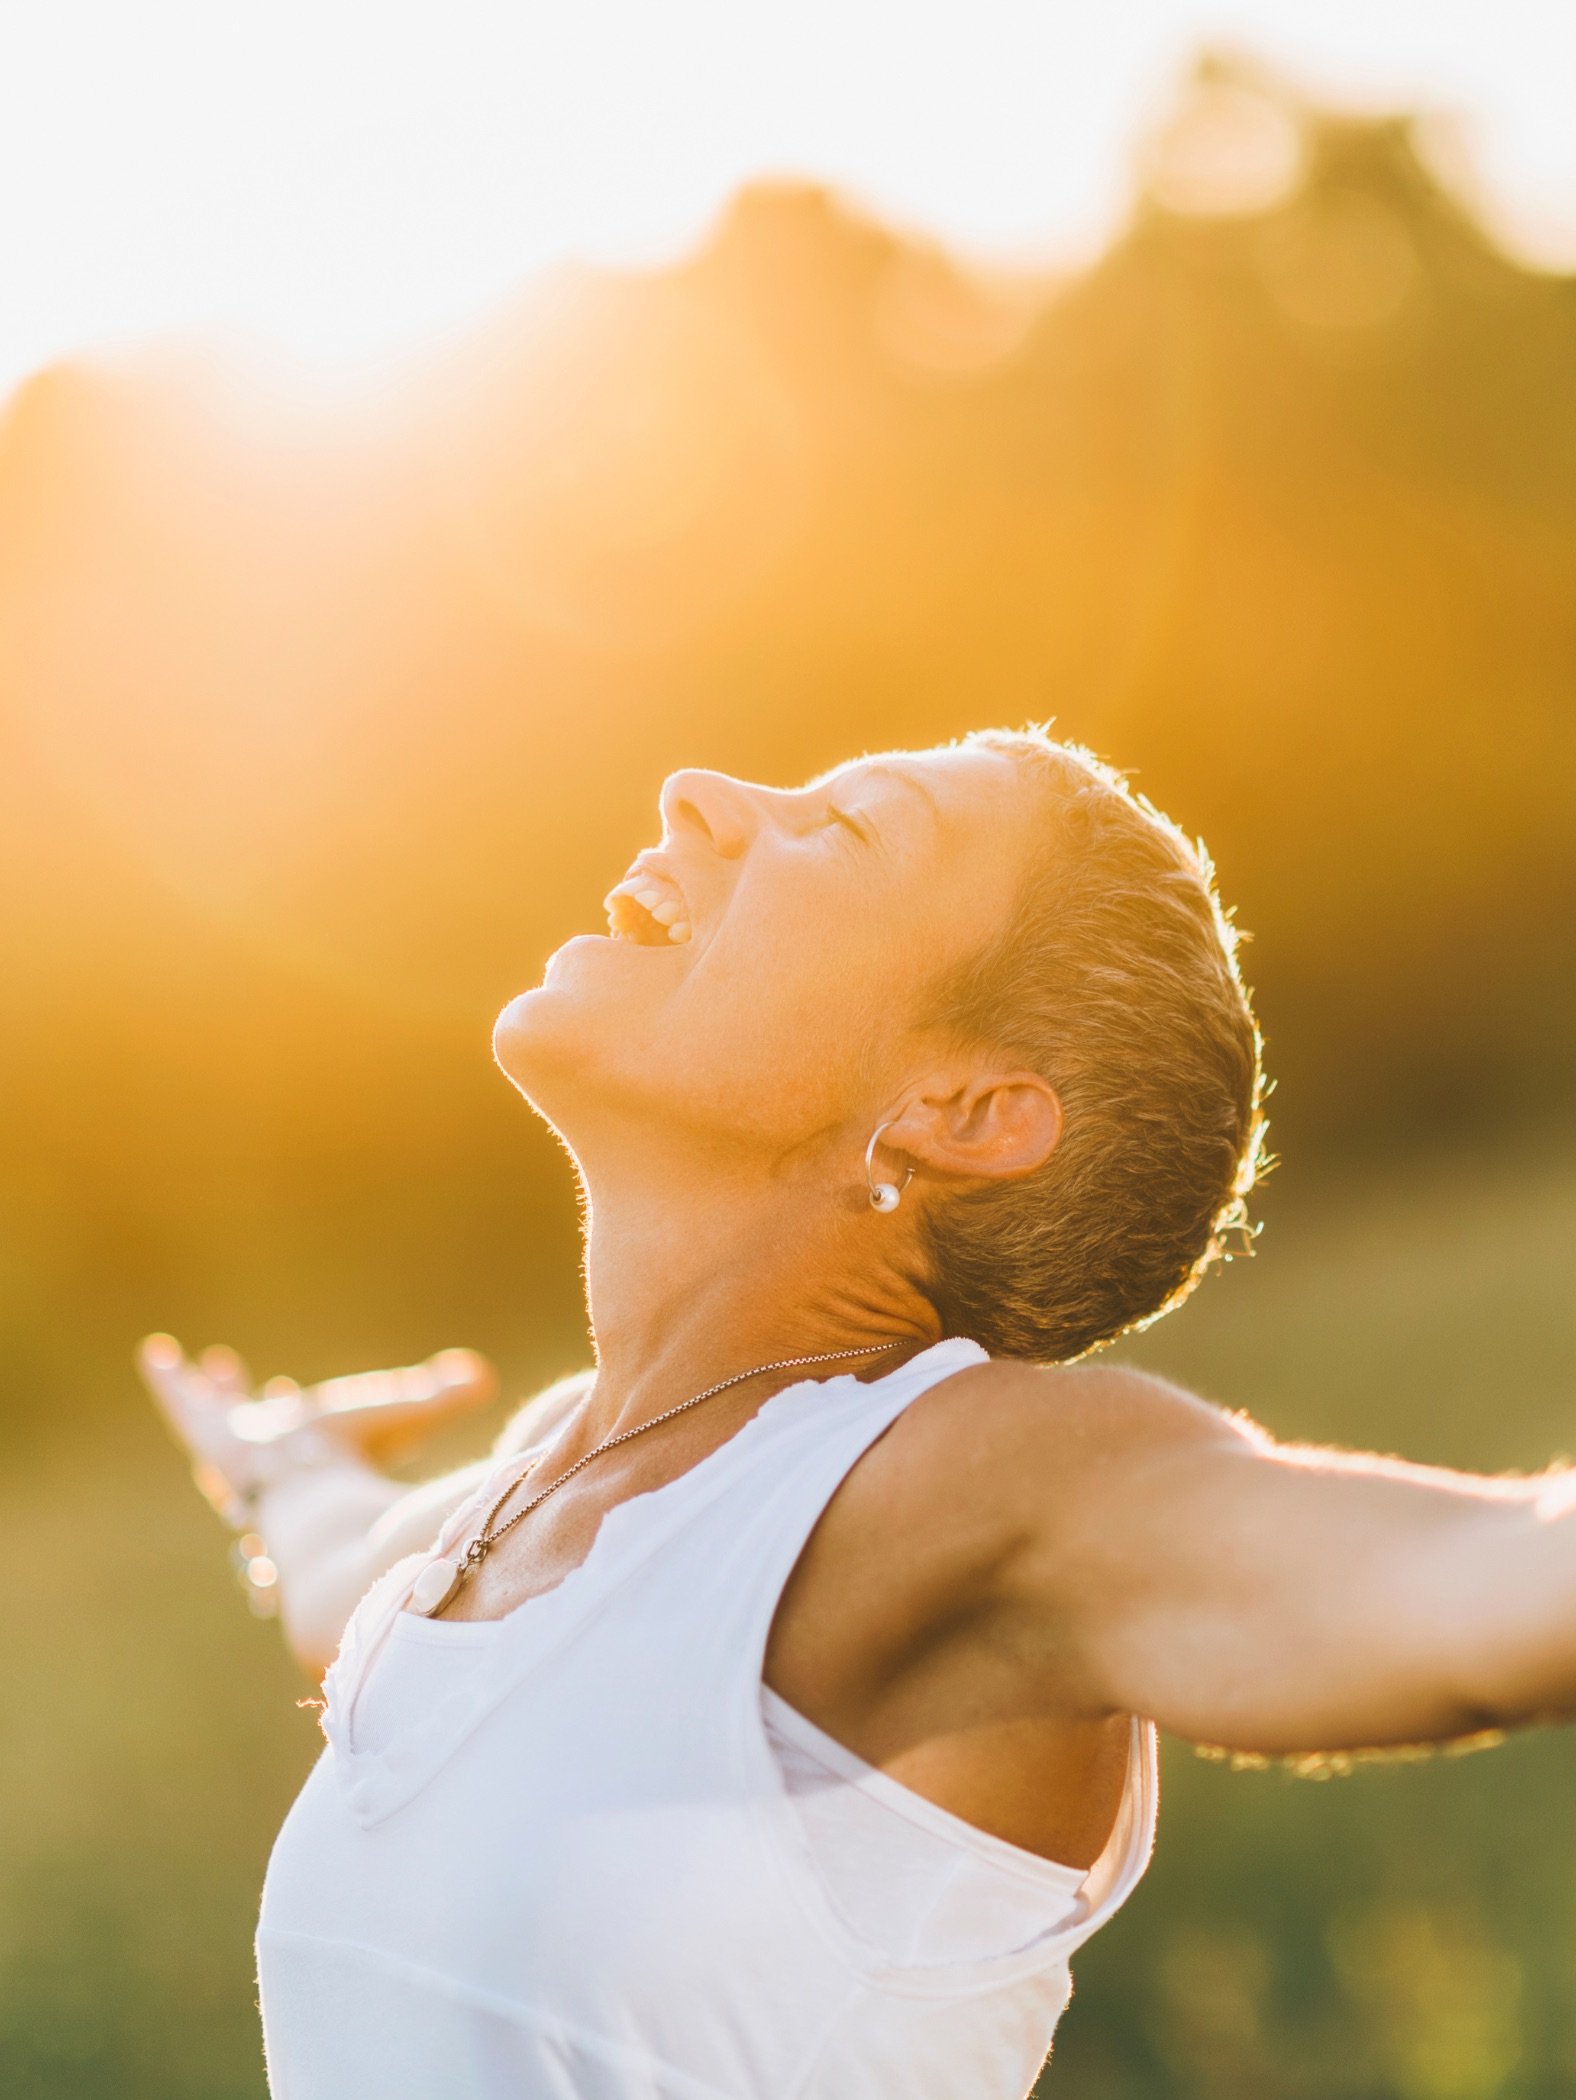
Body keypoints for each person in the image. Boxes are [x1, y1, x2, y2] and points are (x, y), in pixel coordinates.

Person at [138, 727, 1576, 2100]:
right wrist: (278, 1462)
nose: (698, 792)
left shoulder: (964, 1479)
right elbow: (346, 1578)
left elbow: (1482, 1585)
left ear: (962, 1110)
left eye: (846, 827)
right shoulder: (543, 1482)